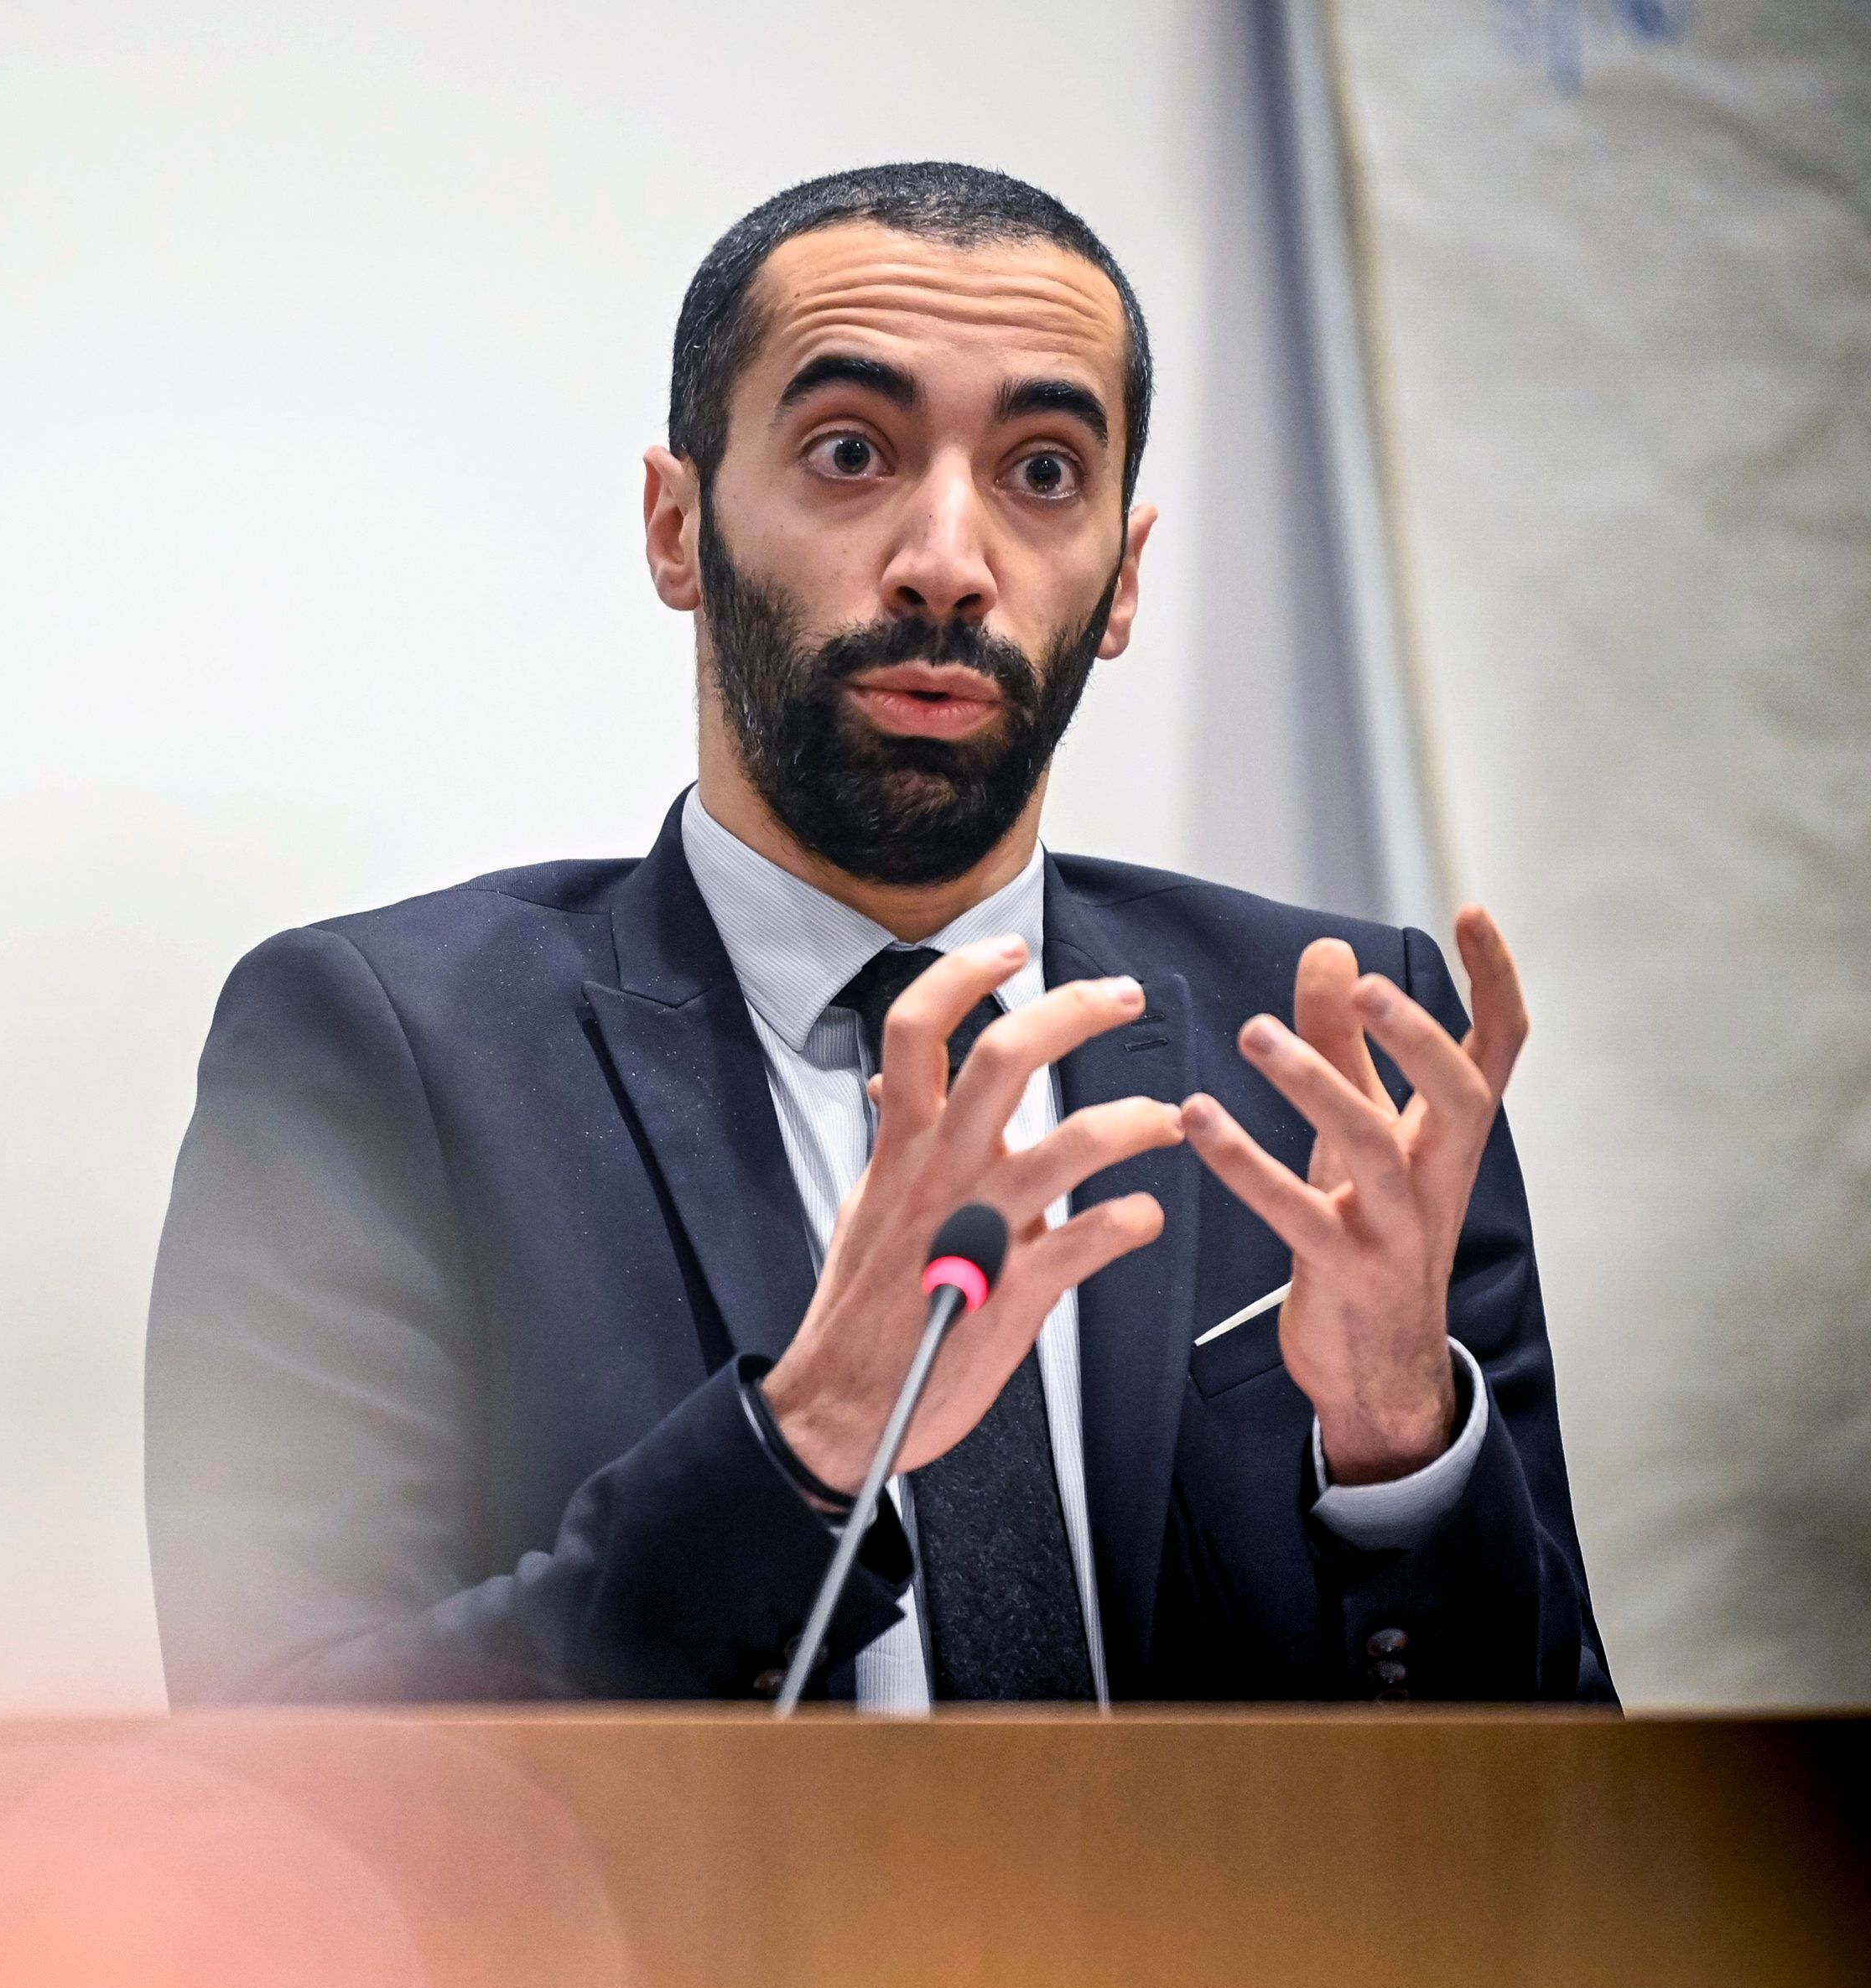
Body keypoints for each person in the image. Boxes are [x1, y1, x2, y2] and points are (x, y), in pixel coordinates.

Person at [143, 163, 1613, 1708]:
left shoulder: (1336, 1054)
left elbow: (1569, 1776)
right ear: (676, 527)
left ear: (1122, 578)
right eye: (851, 452)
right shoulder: (386, 1053)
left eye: (1043, 472)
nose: (948, 563)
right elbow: (286, 1761)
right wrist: (805, 1446)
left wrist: (1397, 1449)